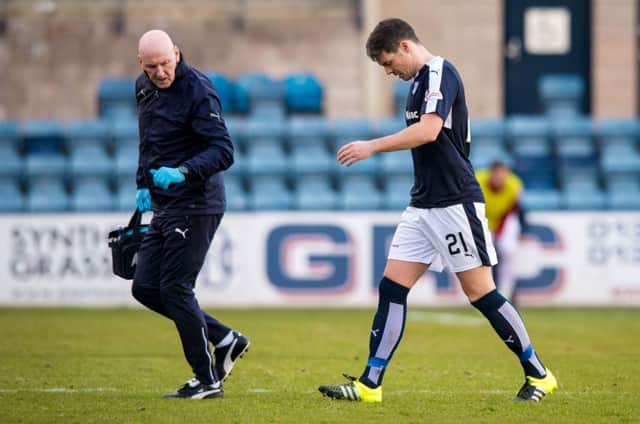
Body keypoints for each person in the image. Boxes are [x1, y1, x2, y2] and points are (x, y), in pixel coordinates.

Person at [318, 18, 556, 403]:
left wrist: (371, 146)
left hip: (454, 202)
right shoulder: (415, 84)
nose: (388, 71)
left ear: (405, 47)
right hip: (423, 204)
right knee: (391, 288)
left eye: (387, 62)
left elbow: (429, 131)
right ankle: (369, 385)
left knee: (481, 294)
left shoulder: (439, 72)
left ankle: (539, 374)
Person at [131, 29, 249, 400]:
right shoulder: (143, 87)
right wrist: (143, 184)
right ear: (141, 65)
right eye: (152, 67)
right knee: (145, 287)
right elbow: (147, 140)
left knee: (175, 288)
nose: (161, 72)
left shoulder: (198, 90)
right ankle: (225, 339)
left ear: (177, 54)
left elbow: (223, 151)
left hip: (197, 202)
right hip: (166, 202)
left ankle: (207, 380)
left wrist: (183, 171)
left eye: (166, 63)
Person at [476, 160, 527, 304]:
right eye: (497, 174)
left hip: (502, 219)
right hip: (482, 219)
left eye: (503, 175)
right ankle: (488, 292)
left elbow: (516, 208)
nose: (500, 178)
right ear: (490, 174)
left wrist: (522, 228)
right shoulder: (478, 181)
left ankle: (507, 293)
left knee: (508, 251)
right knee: (485, 256)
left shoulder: (514, 184)